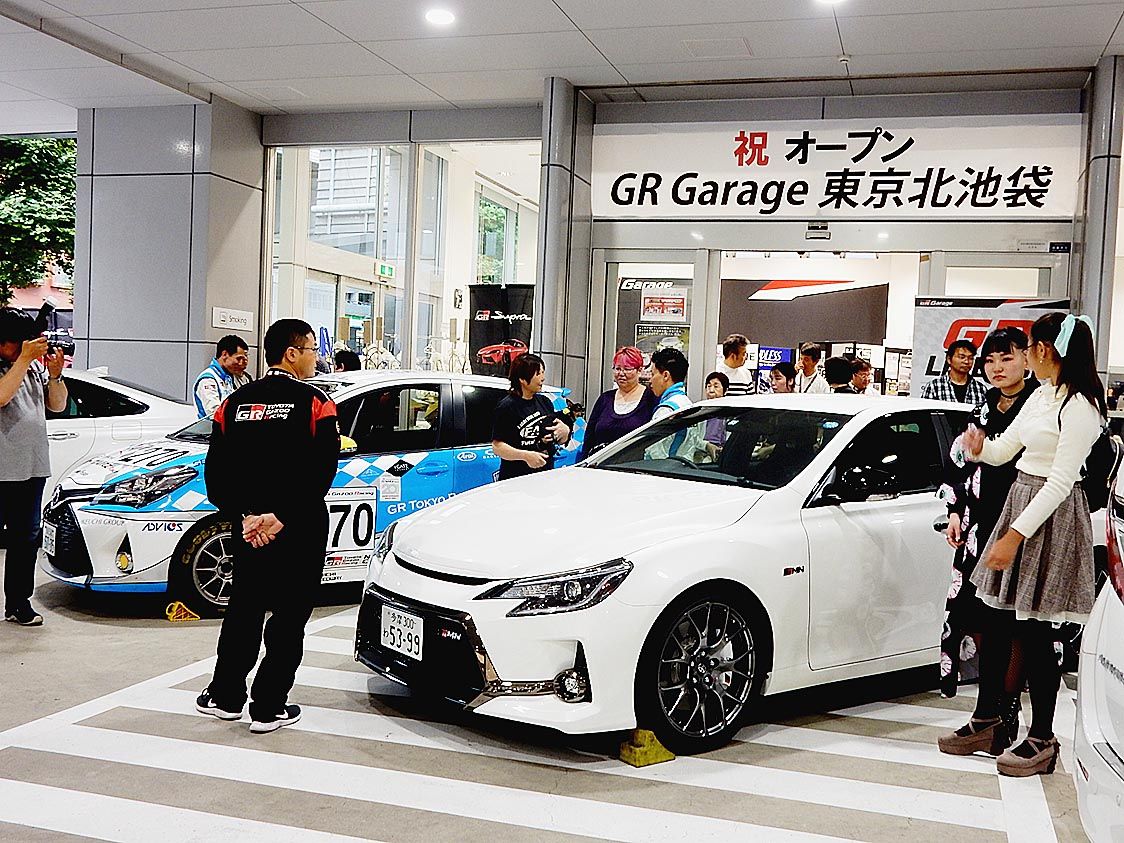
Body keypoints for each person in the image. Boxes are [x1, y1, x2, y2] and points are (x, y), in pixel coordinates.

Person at [938, 313, 1104, 777]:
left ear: (1047, 350)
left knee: (1035, 633)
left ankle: (1042, 738)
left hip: (1050, 518)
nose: (1027, 355)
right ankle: (990, 722)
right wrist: (978, 447)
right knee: (996, 621)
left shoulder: (1080, 407)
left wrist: (1014, 536)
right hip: (1020, 502)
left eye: (1029, 347)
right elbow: (1003, 450)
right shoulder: (1042, 396)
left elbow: (1061, 483)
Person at [195, 319, 341, 733]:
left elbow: (215, 476)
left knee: (244, 609)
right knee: (290, 616)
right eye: (312, 350)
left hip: (248, 531)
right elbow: (322, 471)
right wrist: (282, 517)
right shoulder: (317, 402)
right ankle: (268, 706)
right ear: (291, 354)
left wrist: (246, 516)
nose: (316, 358)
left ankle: (225, 697)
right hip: (300, 526)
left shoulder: (233, 403)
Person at [937, 327, 1037, 711]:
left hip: (1022, 524)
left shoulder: (1040, 404)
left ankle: (1006, 707)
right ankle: (990, 707)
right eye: (991, 359)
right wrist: (954, 512)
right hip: (980, 525)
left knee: (1016, 621)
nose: (997, 367)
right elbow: (959, 462)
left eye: (1006, 357)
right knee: (975, 614)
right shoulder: (982, 406)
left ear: (1027, 358)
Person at [0, 308, 67, 626]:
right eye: (22, 342)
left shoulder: (31, 368)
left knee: (25, 540)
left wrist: (55, 375)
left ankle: (18, 603)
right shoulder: (16, 367)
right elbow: (2, 397)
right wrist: (24, 359)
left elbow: (58, 405)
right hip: (2, 471)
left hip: (32, 468)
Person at [491, 353, 573, 481]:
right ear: (522, 379)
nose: (543, 378)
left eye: (543, 373)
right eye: (538, 374)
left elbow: (558, 438)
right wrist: (525, 456)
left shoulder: (545, 402)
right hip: (516, 480)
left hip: (545, 477)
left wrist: (565, 432)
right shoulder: (507, 407)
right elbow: (497, 447)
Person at [579, 346, 656, 459]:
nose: (621, 373)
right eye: (617, 368)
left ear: (639, 370)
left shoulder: (651, 398)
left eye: (627, 369)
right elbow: (589, 438)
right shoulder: (605, 399)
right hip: (600, 464)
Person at [193, 334, 252, 418]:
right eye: (238, 359)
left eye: (244, 359)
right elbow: (214, 413)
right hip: (212, 426)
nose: (240, 363)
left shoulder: (231, 376)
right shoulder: (208, 379)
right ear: (224, 354)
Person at [921, 339, 987, 404]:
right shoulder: (934, 386)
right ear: (949, 359)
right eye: (962, 357)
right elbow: (924, 409)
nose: (966, 361)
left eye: (971, 358)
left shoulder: (981, 389)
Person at [650, 347, 691, 420]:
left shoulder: (665, 411)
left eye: (653, 374)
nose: (650, 380)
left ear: (666, 375)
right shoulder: (687, 403)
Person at [703, 371, 729, 459]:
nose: (711, 390)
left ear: (725, 390)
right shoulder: (700, 412)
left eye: (716, 386)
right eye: (709, 386)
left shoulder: (729, 412)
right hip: (703, 452)